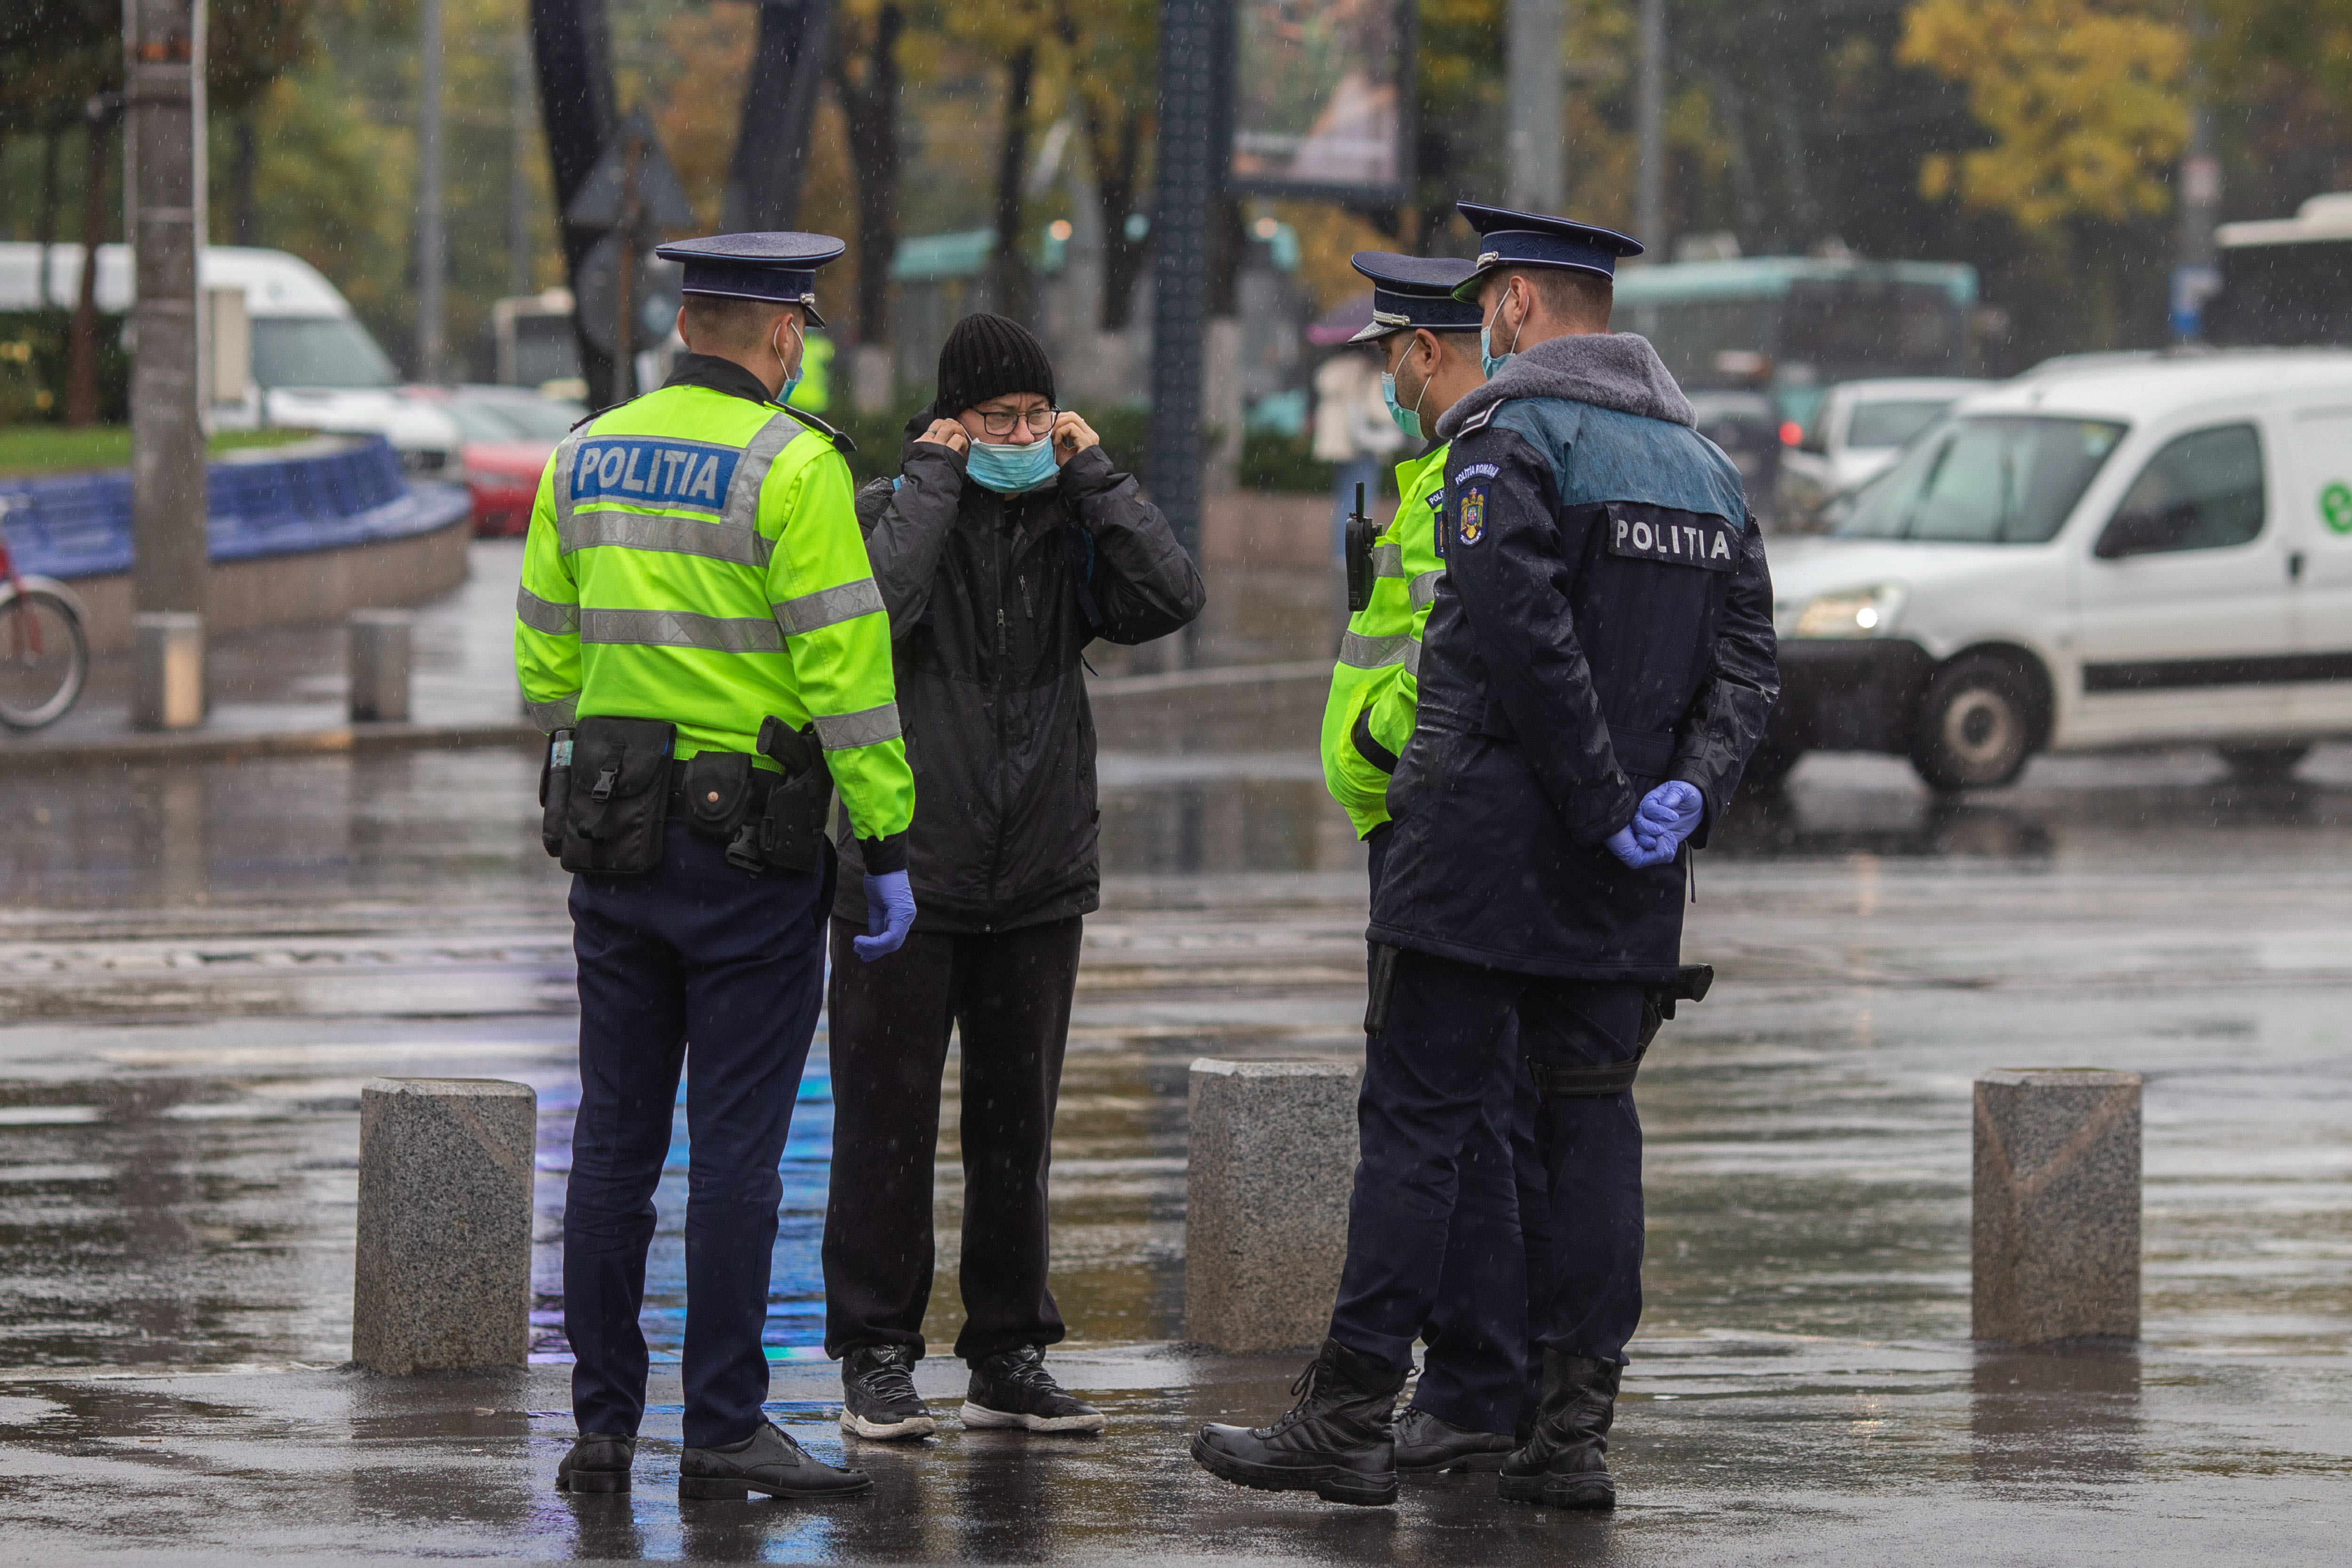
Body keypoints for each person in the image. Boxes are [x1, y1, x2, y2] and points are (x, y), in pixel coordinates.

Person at [1192, 203, 1778, 1511]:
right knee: (1591, 1134)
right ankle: (1570, 1438)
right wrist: (1681, 793)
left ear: (1513, 304)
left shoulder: (1502, 441)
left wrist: (1594, 793)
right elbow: (1747, 665)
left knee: (1416, 1128)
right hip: (1624, 879)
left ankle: (1346, 1416)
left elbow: (1518, 638)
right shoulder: (1707, 470)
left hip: (1475, 860)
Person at [515, 231, 919, 1504]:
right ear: (782, 335)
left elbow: (542, 667)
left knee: (615, 1144)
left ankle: (599, 1423)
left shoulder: (581, 454)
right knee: (738, 1149)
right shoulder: (793, 469)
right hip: (750, 854)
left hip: (615, 840)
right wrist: (890, 840)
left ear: (685, 322)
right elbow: (848, 674)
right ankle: (725, 1426)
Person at [821, 313, 1206, 1444]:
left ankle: (1009, 1355)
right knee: (883, 1126)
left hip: (1038, 870)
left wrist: (1098, 479)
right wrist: (935, 481)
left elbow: (1169, 600)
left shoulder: (1070, 520)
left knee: (1014, 1129)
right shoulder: (891, 512)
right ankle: (876, 1355)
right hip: (905, 869)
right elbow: (870, 616)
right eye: (1002, 418)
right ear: (951, 420)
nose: (1025, 434)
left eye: (1040, 416)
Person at [1318, 250, 1541, 1475]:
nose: (1387, 374)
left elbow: (1467, 649)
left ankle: (1467, 1389)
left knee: (1455, 1118)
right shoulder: (1442, 467)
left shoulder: (1469, 464)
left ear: (1424, 350)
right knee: (1469, 1114)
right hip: (1418, 821)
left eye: (1390, 352)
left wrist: (1381, 743)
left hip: (1431, 825)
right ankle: (1474, 1384)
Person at [1312, 340, 1406, 560]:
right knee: (1361, 503)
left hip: (1337, 446)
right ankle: (1353, 555)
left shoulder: (1332, 369)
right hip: (1363, 447)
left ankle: (1340, 553)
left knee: (1344, 500)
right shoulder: (1367, 371)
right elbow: (1378, 411)